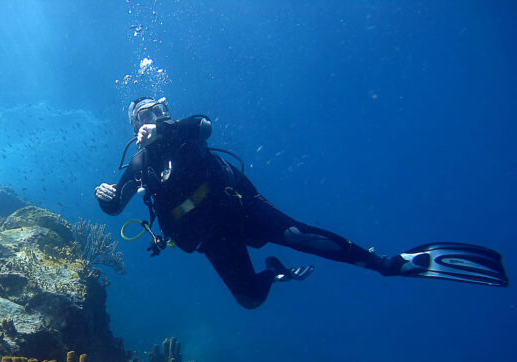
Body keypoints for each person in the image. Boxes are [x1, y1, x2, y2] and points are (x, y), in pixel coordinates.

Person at [95, 96, 508, 308]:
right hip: (208, 237)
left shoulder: (183, 132)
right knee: (249, 300)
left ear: (163, 113)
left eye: (154, 113)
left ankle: (389, 264)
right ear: (133, 128)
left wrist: (166, 129)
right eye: (140, 119)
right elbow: (117, 208)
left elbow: (204, 125)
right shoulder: (139, 165)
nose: (147, 122)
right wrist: (107, 201)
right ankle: (273, 273)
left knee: (296, 234)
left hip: (237, 205)